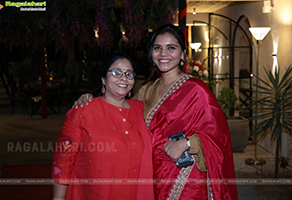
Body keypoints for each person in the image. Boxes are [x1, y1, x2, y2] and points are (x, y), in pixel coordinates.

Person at [74, 24, 238, 200]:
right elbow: (120, 113)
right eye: (157, 48)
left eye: (171, 48)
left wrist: (187, 143)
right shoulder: (147, 90)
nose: (163, 54)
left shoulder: (196, 90)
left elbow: (218, 134)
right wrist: (94, 100)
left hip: (185, 178)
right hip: (150, 173)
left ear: (183, 54)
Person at [52, 53, 154, 200]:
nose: (123, 78)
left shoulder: (141, 110)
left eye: (129, 74)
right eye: (116, 72)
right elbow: (62, 160)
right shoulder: (83, 111)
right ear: (103, 80)